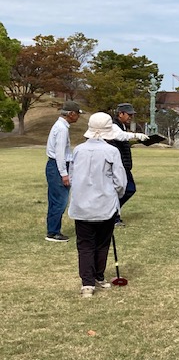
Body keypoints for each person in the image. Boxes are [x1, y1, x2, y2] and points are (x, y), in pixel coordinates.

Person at [68, 112, 127, 298]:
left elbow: (71, 176)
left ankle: (87, 283)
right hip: (104, 205)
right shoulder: (112, 151)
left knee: (85, 245)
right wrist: (116, 196)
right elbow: (120, 182)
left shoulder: (78, 150)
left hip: (81, 205)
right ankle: (98, 276)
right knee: (102, 243)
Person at [45, 100, 83, 242]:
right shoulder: (61, 129)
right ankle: (53, 232)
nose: (78, 117)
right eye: (77, 114)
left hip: (55, 165)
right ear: (71, 114)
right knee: (60, 201)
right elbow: (60, 153)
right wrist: (64, 174)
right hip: (57, 165)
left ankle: (53, 229)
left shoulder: (60, 126)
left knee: (55, 200)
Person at [107, 103, 148, 226]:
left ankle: (113, 214)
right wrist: (136, 135)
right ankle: (113, 216)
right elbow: (120, 136)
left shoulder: (122, 126)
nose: (130, 117)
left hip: (124, 165)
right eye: (129, 114)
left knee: (128, 189)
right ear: (121, 114)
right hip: (118, 166)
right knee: (124, 190)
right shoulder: (114, 126)